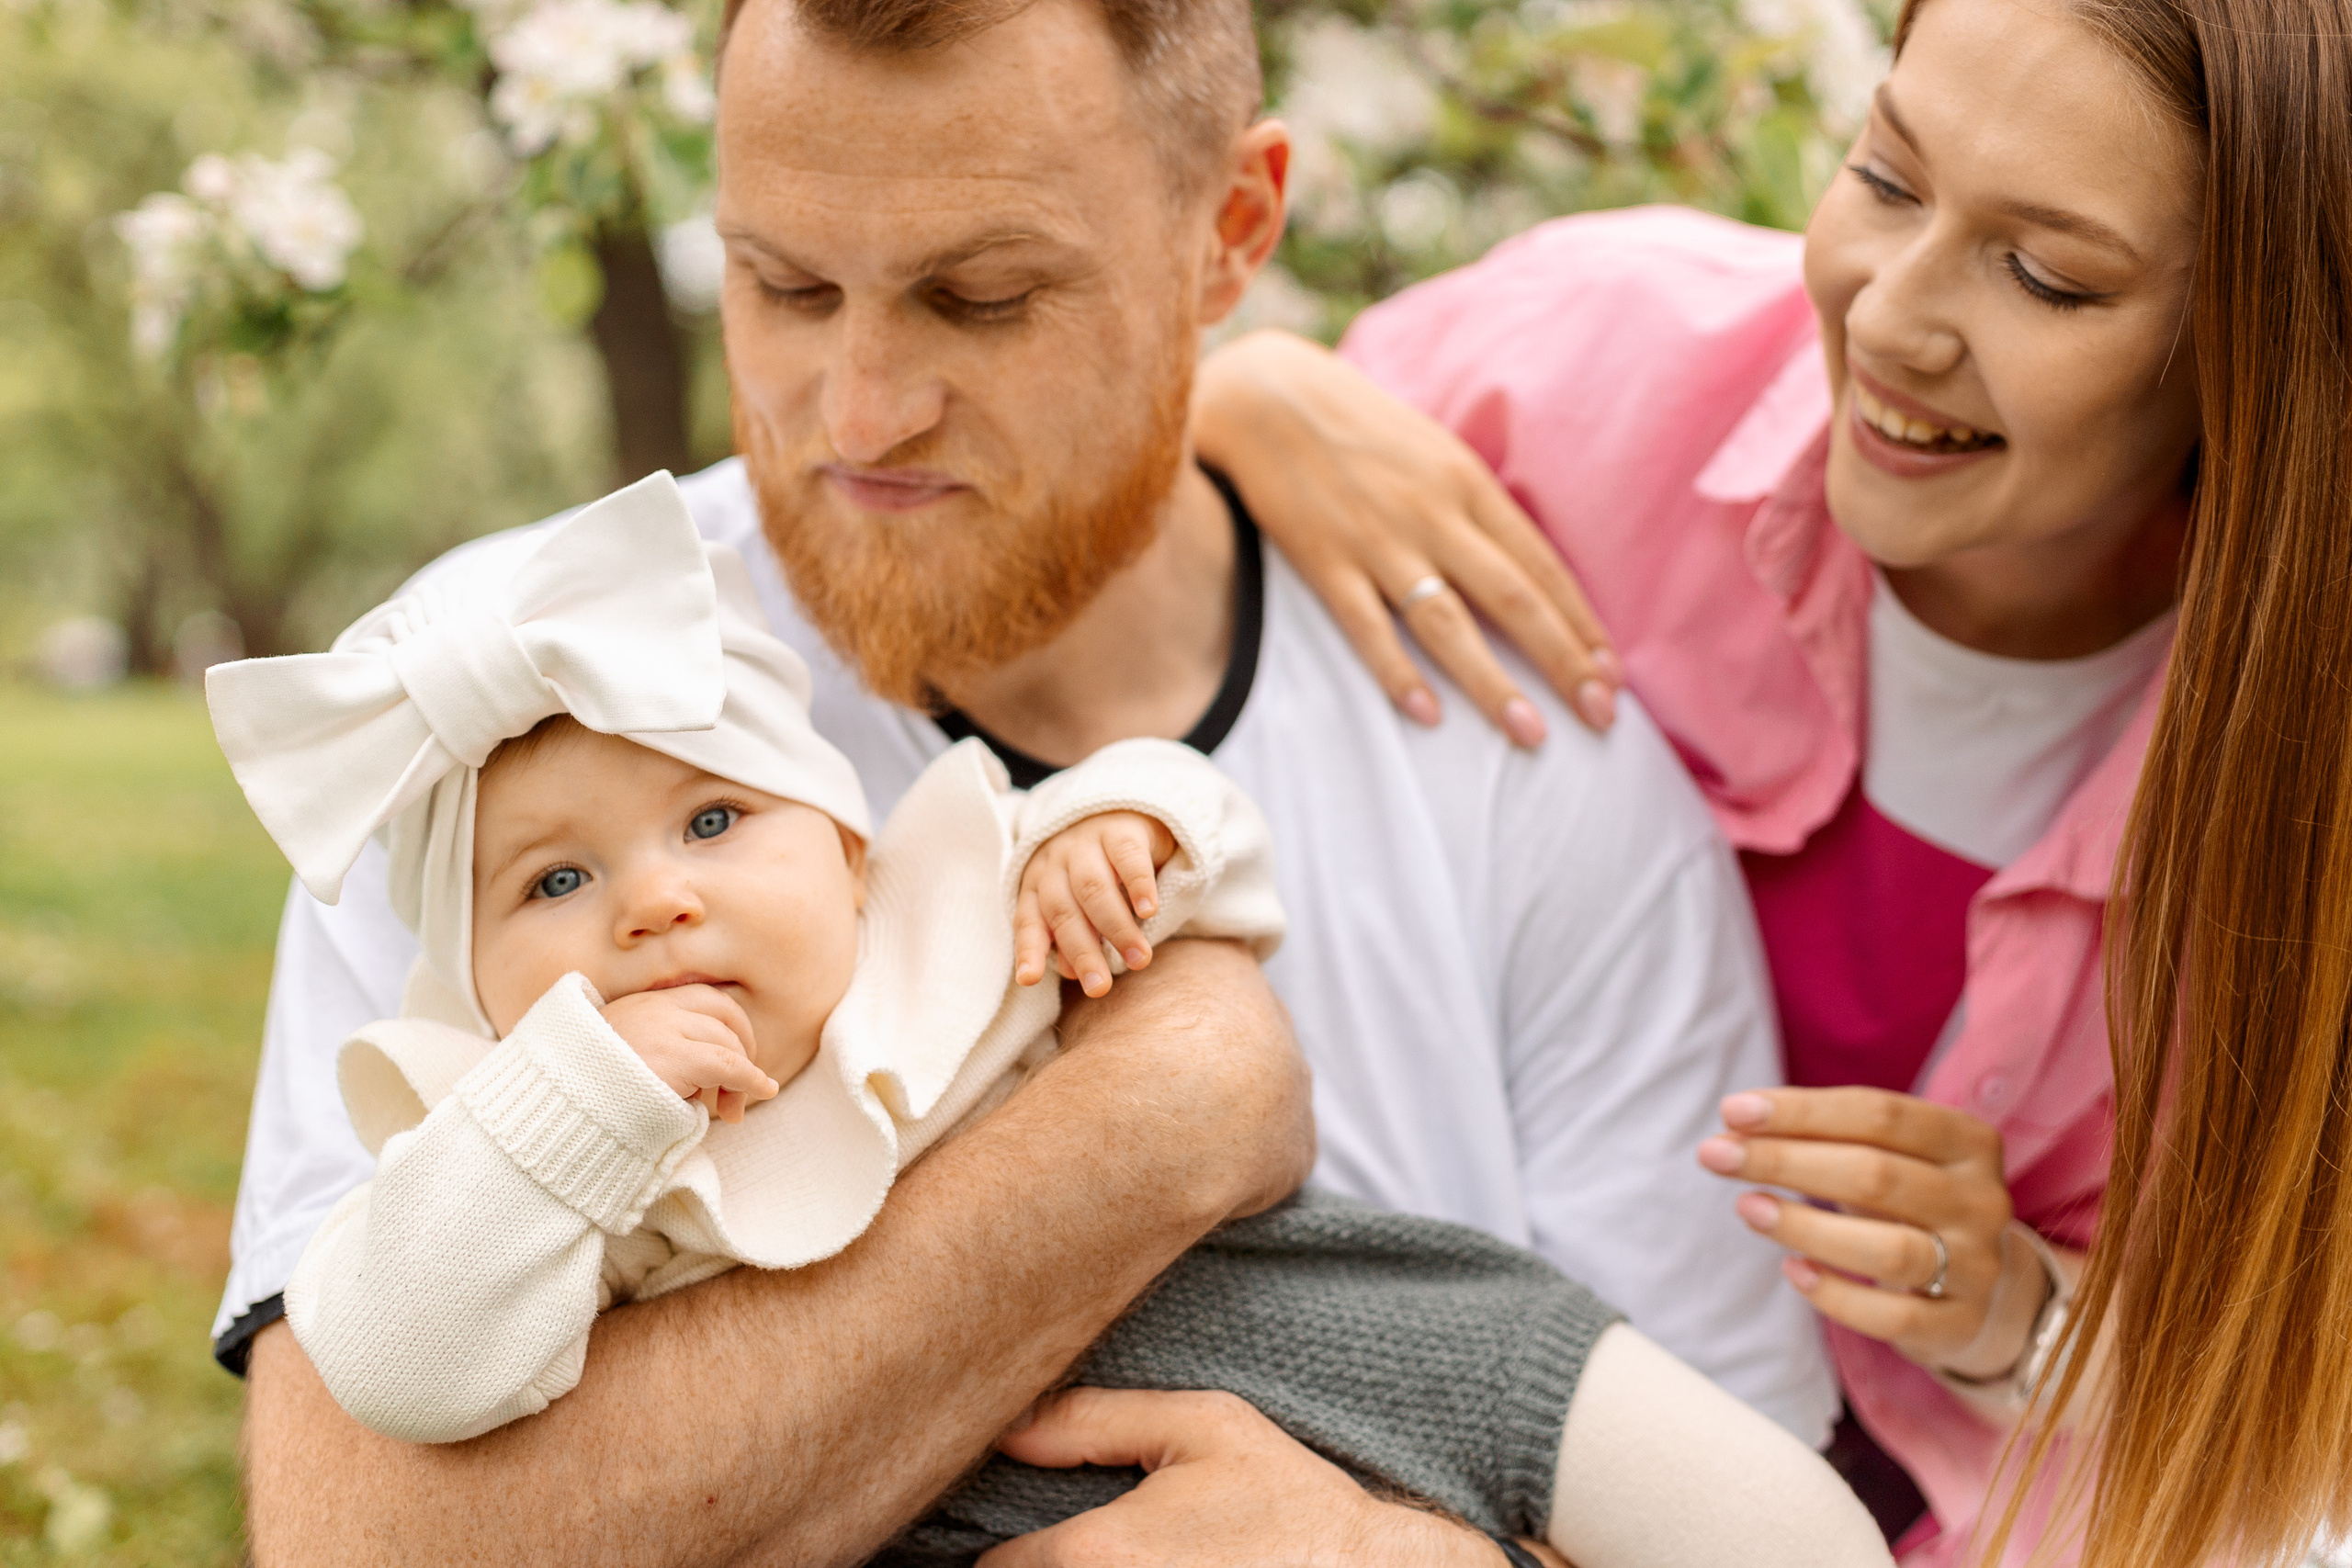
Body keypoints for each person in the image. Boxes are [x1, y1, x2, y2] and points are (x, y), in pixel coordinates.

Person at [220, 1, 1842, 1562]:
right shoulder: (511, 709)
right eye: (782, 285)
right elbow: (369, 1539)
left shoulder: (1512, 755)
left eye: (983, 297)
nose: (859, 413)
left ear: (1234, 229)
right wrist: (1155, 1120)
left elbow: (1746, 1509)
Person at [205, 471, 1882, 1565]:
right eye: (549, 889)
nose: (651, 901)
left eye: (715, 824)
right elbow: (400, 1365)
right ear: (471, 984)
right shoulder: (509, 1144)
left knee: (1758, 1522)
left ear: (844, 846)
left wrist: (1122, 833)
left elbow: (1190, 822)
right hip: (932, 1499)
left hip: (1308, 1322)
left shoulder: (938, 914)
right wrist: (568, 1107)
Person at [1189, 0, 2352, 1561]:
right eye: (1886, 175)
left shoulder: (2311, 768)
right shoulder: (1589, 363)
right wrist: (1232, 395)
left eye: (2046, 275)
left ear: (2255, 354)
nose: (1892, 320)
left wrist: (2017, 1311)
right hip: (1459, 1454)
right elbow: (1168, 604)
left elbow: (2294, 1388)